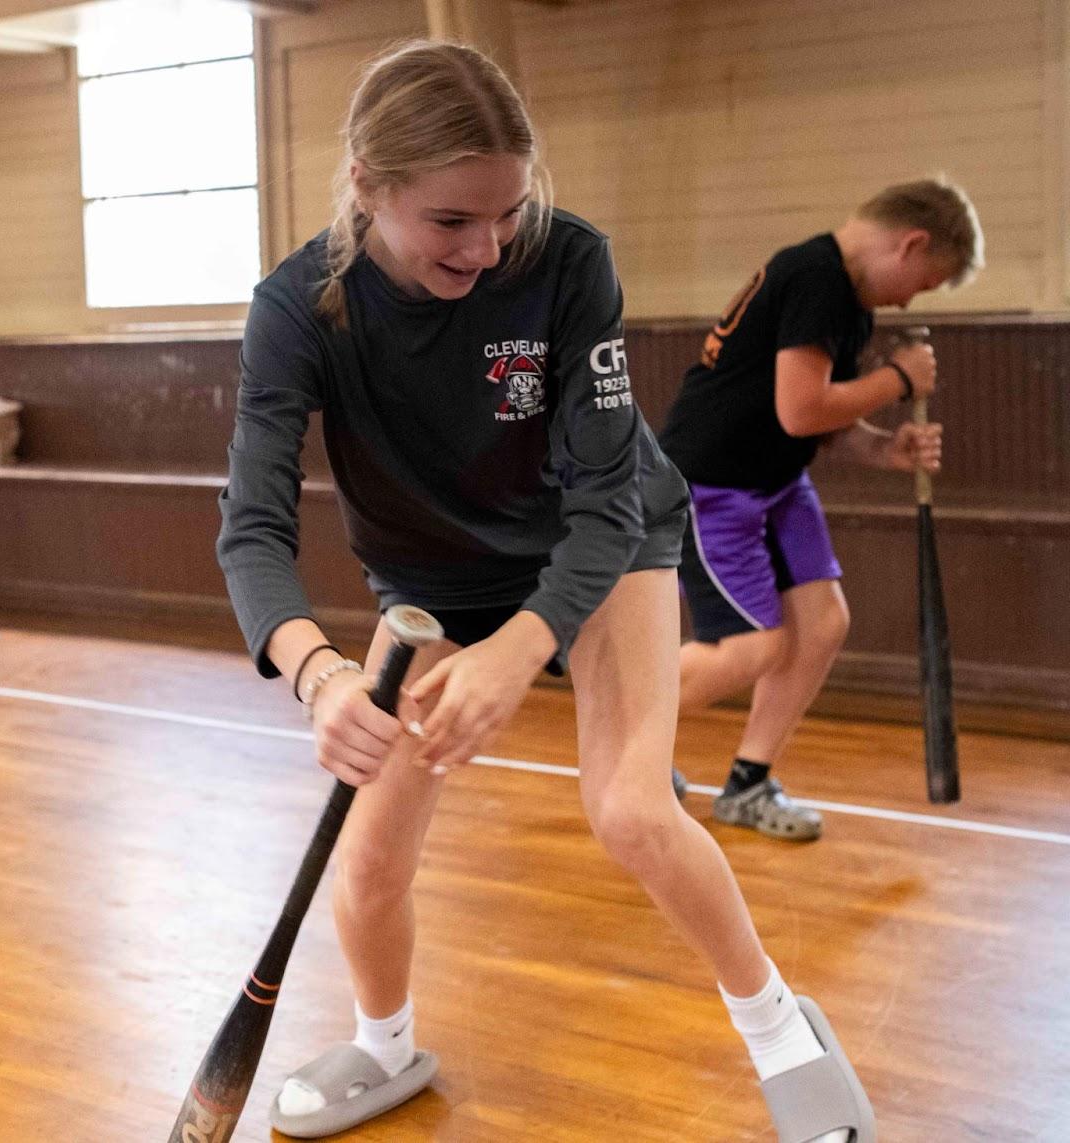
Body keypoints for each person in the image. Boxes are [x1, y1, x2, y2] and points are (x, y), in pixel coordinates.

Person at [216, 39, 873, 1143]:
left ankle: (779, 1031)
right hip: (430, 579)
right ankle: (385, 1045)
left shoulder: (569, 262)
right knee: (369, 855)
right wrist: (319, 675)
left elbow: (608, 500)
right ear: (367, 187)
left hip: (602, 542)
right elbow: (252, 525)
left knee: (630, 809)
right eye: (451, 220)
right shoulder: (297, 308)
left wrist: (523, 646)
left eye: (507, 213)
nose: (486, 247)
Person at [660, 178, 984, 841]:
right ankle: (625, 740)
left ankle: (748, 783)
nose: (908, 300)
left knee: (822, 624)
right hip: (712, 486)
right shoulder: (817, 278)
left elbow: (815, 419)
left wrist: (883, 448)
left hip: (776, 480)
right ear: (910, 243)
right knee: (750, 645)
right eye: (922, 283)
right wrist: (899, 380)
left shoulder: (848, 299)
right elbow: (801, 408)